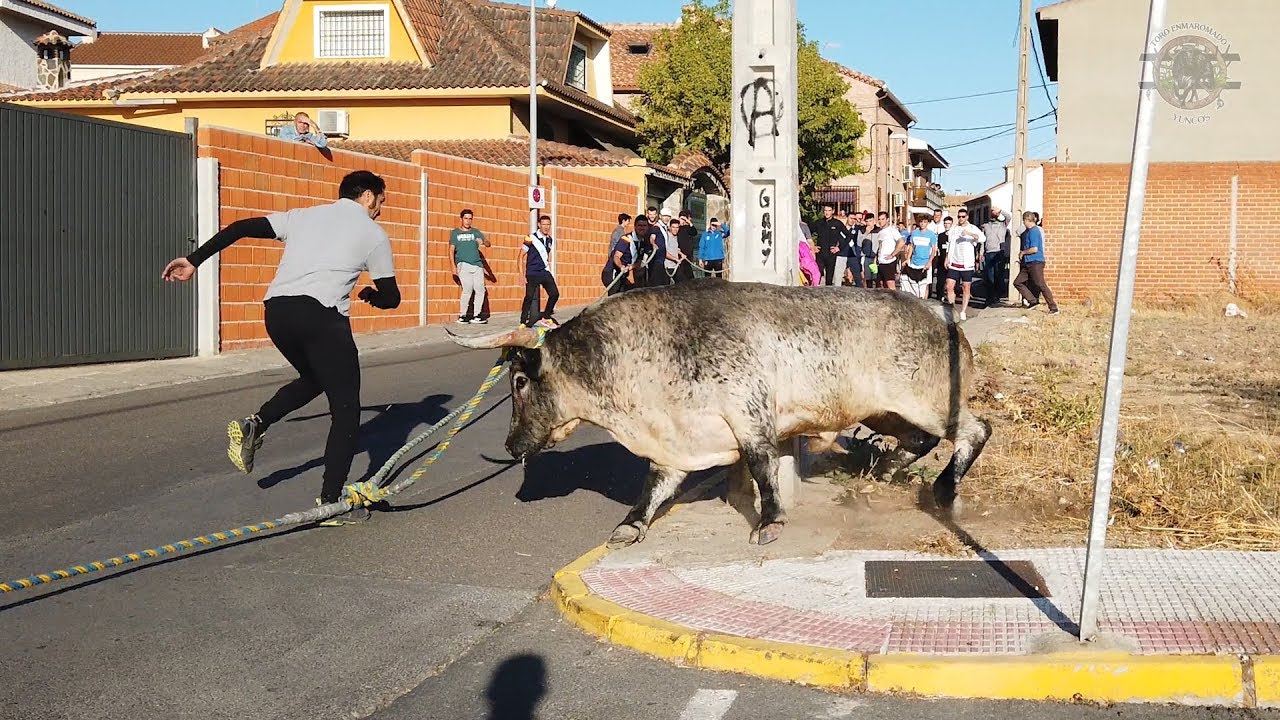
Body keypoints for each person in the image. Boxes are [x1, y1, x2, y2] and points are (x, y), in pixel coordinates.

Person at [160, 170, 399, 526]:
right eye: (380, 200)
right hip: (322, 317)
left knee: (316, 378)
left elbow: (240, 227)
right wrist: (372, 296)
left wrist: (194, 260)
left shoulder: (303, 216)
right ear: (366, 196)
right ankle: (329, 503)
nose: (381, 209)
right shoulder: (374, 234)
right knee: (347, 411)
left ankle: (256, 423)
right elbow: (392, 298)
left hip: (278, 312)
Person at [1014, 211, 1060, 314]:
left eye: (1024, 221)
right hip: (1028, 263)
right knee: (1018, 282)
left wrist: (1023, 252)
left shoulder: (1034, 231)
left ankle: (1053, 307)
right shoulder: (1028, 231)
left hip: (1035, 262)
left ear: (1026, 220)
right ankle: (1033, 301)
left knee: (1040, 284)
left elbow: (1034, 249)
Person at [451, 208, 490, 324]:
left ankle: (477, 315)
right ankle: (462, 315)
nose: (468, 221)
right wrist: (453, 267)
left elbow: (488, 243)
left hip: (477, 265)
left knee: (480, 290)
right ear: (461, 219)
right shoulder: (455, 233)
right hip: (463, 264)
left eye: (470, 219)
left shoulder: (476, 232)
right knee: (467, 290)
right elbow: (451, 250)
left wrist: (483, 242)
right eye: (466, 218)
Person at [945, 209, 984, 321]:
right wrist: (947, 258)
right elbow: (950, 244)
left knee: (966, 287)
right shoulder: (954, 229)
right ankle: (952, 309)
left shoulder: (972, 228)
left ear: (967, 217)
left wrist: (969, 234)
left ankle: (963, 311)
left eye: (963, 216)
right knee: (949, 286)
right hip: (954, 262)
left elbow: (982, 238)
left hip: (966, 263)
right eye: (959, 217)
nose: (961, 219)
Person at [520, 215, 559, 326]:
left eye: (548, 224)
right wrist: (521, 274)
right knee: (529, 297)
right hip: (532, 272)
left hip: (544, 272)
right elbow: (520, 256)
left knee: (554, 294)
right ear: (539, 225)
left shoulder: (550, 240)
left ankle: (546, 316)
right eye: (544, 224)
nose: (546, 227)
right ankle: (523, 322)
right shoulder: (530, 238)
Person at [901, 214, 938, 299]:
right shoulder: (914, 233)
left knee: (925, 285)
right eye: (921, 222)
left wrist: (929, 262)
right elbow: (911, 246)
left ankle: (924, 301)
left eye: (924, 222)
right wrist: (908, 259)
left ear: (927, 223)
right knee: (912, 283)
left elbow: (933, 250)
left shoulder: (931, 235)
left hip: (925, 262)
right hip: (914, 262)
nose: (922, 224)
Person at [981, 208, 1012, 306]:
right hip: (989, 253)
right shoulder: (985, 226)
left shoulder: (1003, 225)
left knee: (999, 276)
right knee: (989, 277)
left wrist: (1000, 211)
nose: (992, 216)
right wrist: (981, 253)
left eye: (994, 214)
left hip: (999, 253)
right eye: (991, 214)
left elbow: (1009, 217)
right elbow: (983, 240)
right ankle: (989, 298)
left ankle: (997, 297)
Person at [872, 211, 903, 290]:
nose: (880, 221)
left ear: (887, 220)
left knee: (890, 285)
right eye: (879, 219)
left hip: (888, 262)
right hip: (880, 262)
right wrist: (876, 259)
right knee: (881, 285)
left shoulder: (892, 230)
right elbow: (880, 246)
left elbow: (901, 242)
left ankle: (896, 301)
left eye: (883, 219)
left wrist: (893, 254)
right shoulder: (880, 232)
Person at [674, 210, 700, 283]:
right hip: (678, 256)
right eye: (681, 219)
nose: (682, 221)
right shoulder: (676, 228)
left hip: (687, 256)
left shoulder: (687, 228)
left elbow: (694, 232)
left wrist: (688, 222)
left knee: (690, 278)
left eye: (684, 219)